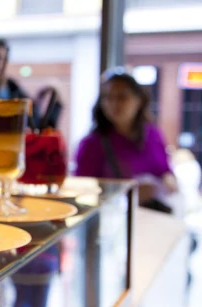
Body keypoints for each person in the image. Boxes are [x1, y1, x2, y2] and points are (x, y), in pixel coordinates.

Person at [75, 72, 177, 207]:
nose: (114, 103)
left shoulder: (153, 133)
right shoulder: (92, 144)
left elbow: (165, 171)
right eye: (108, 97)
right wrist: (128, 194)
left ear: (139, 100)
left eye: (122, 97)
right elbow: (82, 193)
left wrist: (167, 183)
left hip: (154, 215)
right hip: (114, 220)